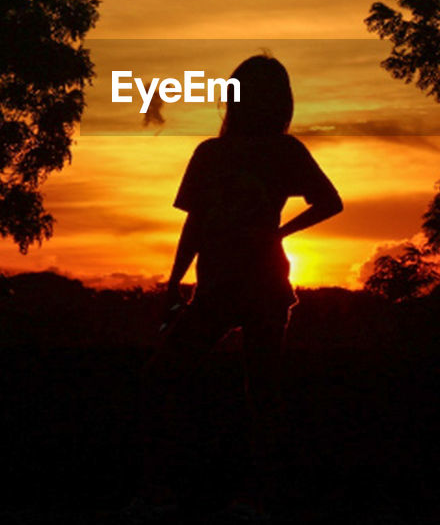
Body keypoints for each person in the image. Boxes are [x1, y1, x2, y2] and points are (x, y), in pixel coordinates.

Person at [135, 53, 342, 519]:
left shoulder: (224, 153)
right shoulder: (257, 153)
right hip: (248, 284)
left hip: (243, 284)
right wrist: (177, 280)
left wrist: (176, 283)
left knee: (168, 380)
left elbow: (196, 224)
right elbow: (197, 223)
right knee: (260, 393)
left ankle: (172, 492)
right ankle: (249, 496)